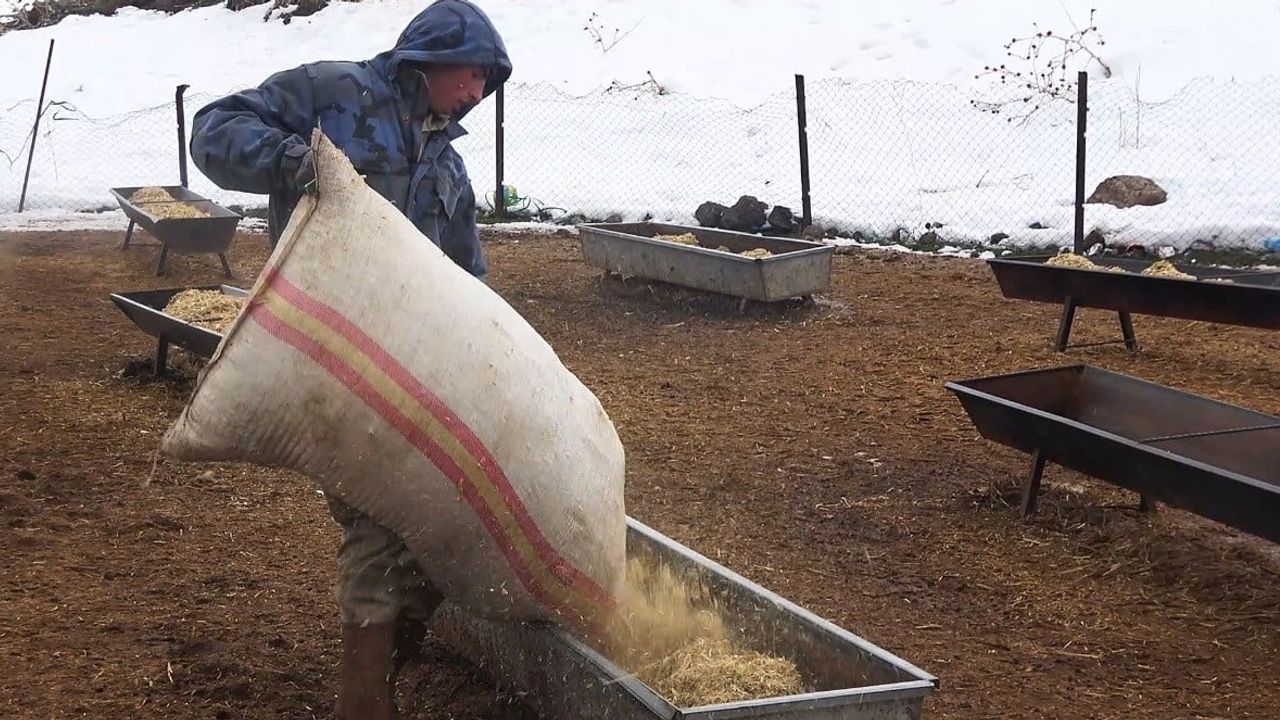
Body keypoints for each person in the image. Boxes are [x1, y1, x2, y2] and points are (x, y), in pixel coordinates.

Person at [188, 2, 512, 718]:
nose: (481, 90)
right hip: (329, 359)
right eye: (475, 72)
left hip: (412, 378)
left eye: (492, 80)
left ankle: (392, 651)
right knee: (377, 524)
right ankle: (365, 702)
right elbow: (211, 131)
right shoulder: (332, 94)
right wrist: (300, 164)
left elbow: (469, 286)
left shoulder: (449, 168)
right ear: (432, 53)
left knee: (443, 524)